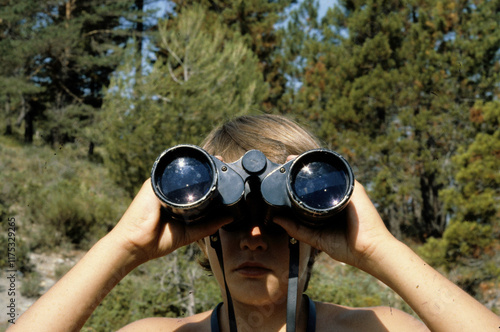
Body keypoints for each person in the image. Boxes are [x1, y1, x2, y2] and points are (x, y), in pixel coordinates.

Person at [9, 115, 500, 332]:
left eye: (282, 218)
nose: (255, 234)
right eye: (229, 218)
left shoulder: (374, 330)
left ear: (316, 231)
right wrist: (124, 245)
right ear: (202, 233)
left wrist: (377, 246)